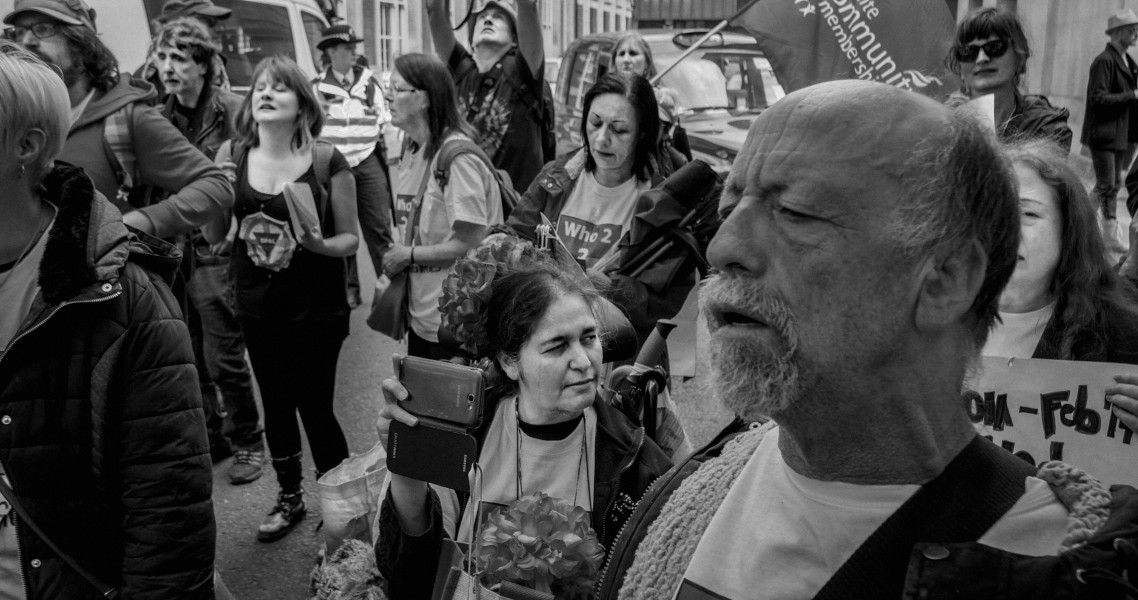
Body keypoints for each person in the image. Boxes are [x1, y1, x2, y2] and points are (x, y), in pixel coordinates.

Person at [595, 79, 1138, 600]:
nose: (723, 248)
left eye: (796, 212)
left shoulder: (1061, 567)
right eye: (729, 207)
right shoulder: (690, 492)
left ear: (947, 279)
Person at [0, 41, 215, 599]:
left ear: (27, 145)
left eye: (44, 27)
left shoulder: (130, 115)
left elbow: (166, 519)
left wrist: (133, 225)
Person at [374, 262, 673, 599]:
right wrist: (405, 464)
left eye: (589, 338)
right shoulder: (465, 434)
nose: (584, 360)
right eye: (557, 346)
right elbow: (411, 572)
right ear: (510, 362)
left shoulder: (634, 464)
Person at [208, 56, 358, 542]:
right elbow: (215, 235)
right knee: (275, 403)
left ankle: (340, 513)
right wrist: (217, 190)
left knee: (315, 406)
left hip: (318, 309)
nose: (266, 94)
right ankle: (290, 498)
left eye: (280, 88)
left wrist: (318, 244)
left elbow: (350, 240)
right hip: (258, 307)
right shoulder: (231, 154)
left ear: (302, 104)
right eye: (260, 88)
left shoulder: (325, 160)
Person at [3, 0, 232, 241]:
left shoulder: (126, 118)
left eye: (43, 29)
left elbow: (214, 185)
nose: (27, 41)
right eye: (19, 31)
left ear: (81, 42)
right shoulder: (13, 117)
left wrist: (135, 224)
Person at [151, 16, 265, 485]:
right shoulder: (155, 116)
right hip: (170, 251)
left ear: (202, 64)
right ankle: (213, 435)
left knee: (223, 356)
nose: (167, 68)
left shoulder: (234, 111)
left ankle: (249, 443)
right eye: (161, 58)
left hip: (217, 248)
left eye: (178, 58)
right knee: (188, 354)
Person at [506, 72, 695, 344]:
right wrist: (506, 248)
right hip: (549, 341)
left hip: (619, 358)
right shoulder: (557, 177)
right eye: (595, 123)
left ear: (643, 132)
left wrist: (610, 289)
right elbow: (513, 232)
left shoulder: (661, 203)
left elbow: (668, 293)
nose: (601, 139)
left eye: (619, 130)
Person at [986, 139, 1138, 430]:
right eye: (990, 210)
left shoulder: (1122, 336)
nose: (1002, 227)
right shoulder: (933, 322)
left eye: (1028, 213)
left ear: (1069, 231)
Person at [378, 53, 504, 360]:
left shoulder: (456, 160)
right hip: (423, 320)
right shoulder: (411, 148)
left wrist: (406, 255)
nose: (388, 95)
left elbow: (469, 242)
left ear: (424, 99)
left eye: (397, 87)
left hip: (456, 328)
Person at [426, 0, 547, 192]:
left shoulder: (523, 72)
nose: (488, 19)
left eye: (498, 17)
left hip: (515, 212)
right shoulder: (461, 72)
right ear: (472, 41)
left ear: (516, 40)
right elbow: (433, 10)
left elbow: (528, 6)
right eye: (482, 17)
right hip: (467, 205)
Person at [313, 24, 394, 310]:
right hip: (334, 165)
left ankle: (390, 288)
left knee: (379, 228)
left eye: (353, 48)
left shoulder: (369, 82)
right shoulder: (317, 87)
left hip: (367, 158)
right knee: (340, 228)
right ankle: (349, 290)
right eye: (347, 48)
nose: (352, 53)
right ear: (332, 52)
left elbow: (383, 118)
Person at [945, 7, 1072, 152]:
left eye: (994, 47)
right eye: (968, 52)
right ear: (960, 68)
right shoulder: (943, 123)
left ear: (1019, 57)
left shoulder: (1047, 128)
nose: (981, 59)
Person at [1085, 9, 1138, 225]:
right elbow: (1098, 98)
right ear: (1117, 33)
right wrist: (1131, 95)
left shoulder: (1128, 61)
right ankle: (1080, 221)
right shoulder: (1104, 61)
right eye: (1131, 30)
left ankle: (1110, 229)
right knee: (1106, 185)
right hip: (1104, 133)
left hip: (1120, 134)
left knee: (1114, 184)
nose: (1136, 34)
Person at [610, 30, 690, 165]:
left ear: (647, 64)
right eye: (621, 53)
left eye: (633, 53)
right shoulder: (604, 98)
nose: (626, 60)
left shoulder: (659, 97)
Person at [139, 0, 233, 95]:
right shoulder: (146, 84)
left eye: (217, 22)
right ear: (180, 29)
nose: (219, 29)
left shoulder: (216, 65)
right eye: (209, 22)